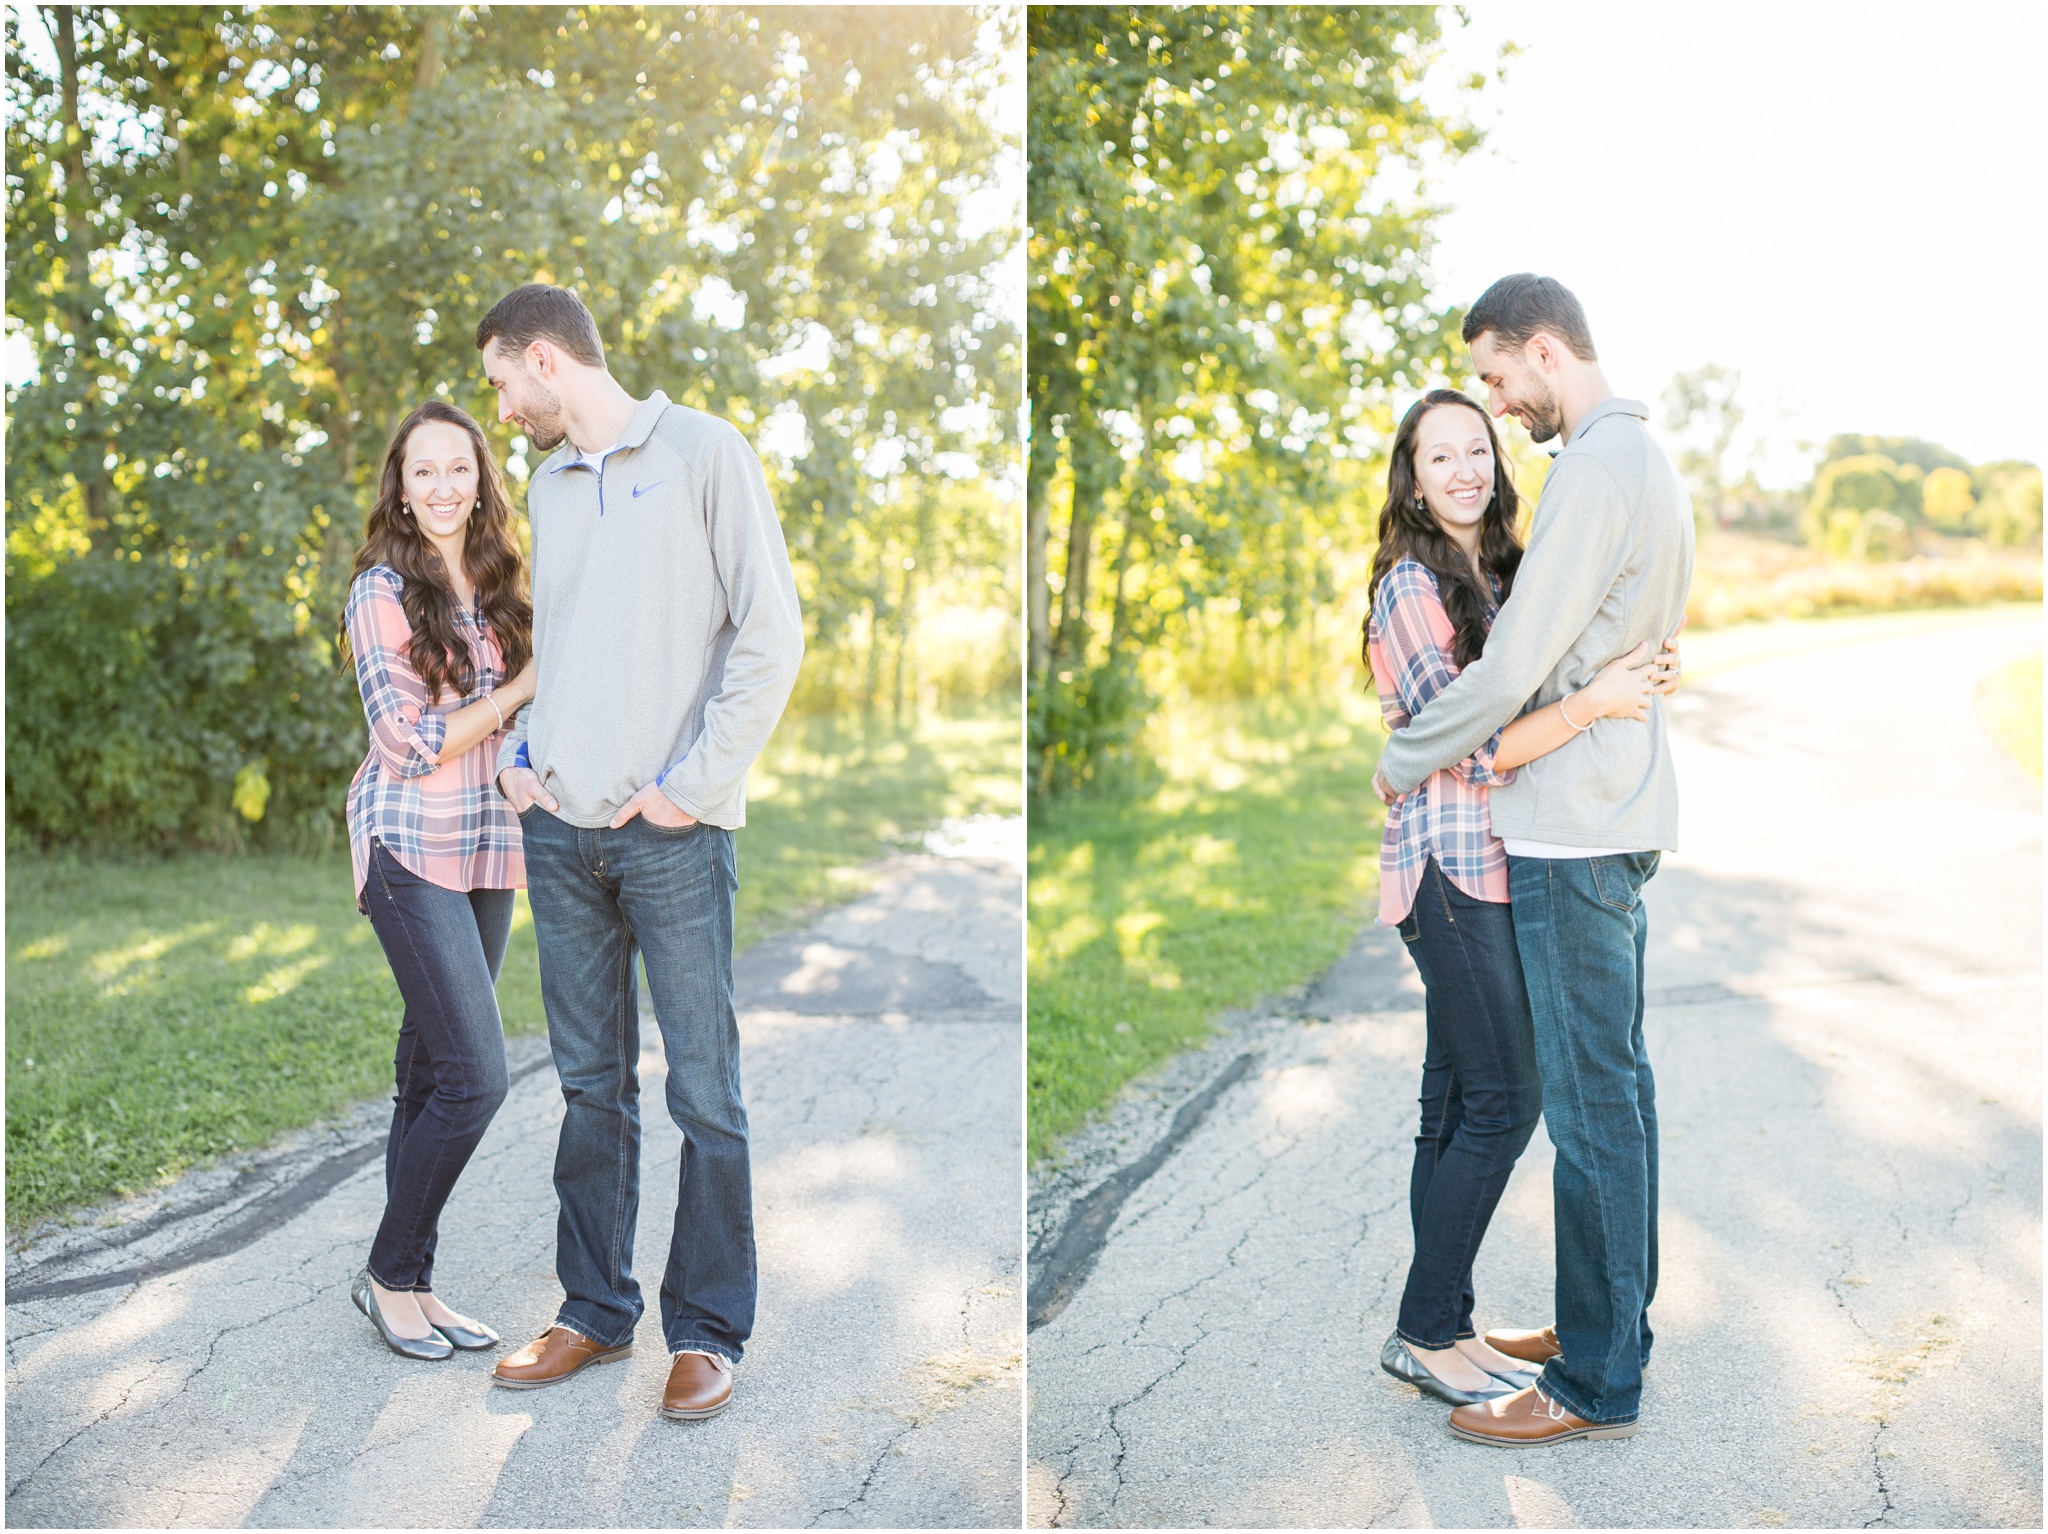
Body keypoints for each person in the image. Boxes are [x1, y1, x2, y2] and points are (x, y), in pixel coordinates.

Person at [1373, 275, 1694, 1446]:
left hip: (1569, 827)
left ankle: (1595, 1374)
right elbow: (1625, 647)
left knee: (1590, 1109)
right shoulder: (1644, 462)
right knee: (1613, 1094)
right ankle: (1599, 1326)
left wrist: (1405, 755)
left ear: (1544, 351)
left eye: (1499, 381)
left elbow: (1506, 675)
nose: (1499, 410)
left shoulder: (1591, 472)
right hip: (1596, 817)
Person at [476, 284, 805, 1421]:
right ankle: (593, 1310)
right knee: (587, 1089)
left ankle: (707, 1331)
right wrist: (522, 749)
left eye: (501, 380)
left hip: (670, 837)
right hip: (559, 835)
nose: (501, 405)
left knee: (704, 1092)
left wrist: (689, 790)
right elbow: (562, 648)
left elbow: (770, 635)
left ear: (544, 360)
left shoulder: (706, 452)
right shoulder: (547, 484)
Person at [341, 400, 537, 1361]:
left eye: (459, 468)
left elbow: (525, 729)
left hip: (490, 850)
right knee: (475, 1077)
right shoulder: (381, 589)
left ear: (481, 478)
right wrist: (517, 692)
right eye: (424, 472)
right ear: (401, 488)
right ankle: (389, 1273)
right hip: (409, 847)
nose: (444, 487)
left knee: (427, 1076)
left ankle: (412, 1285)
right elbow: (409, 741)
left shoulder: (504, 590)